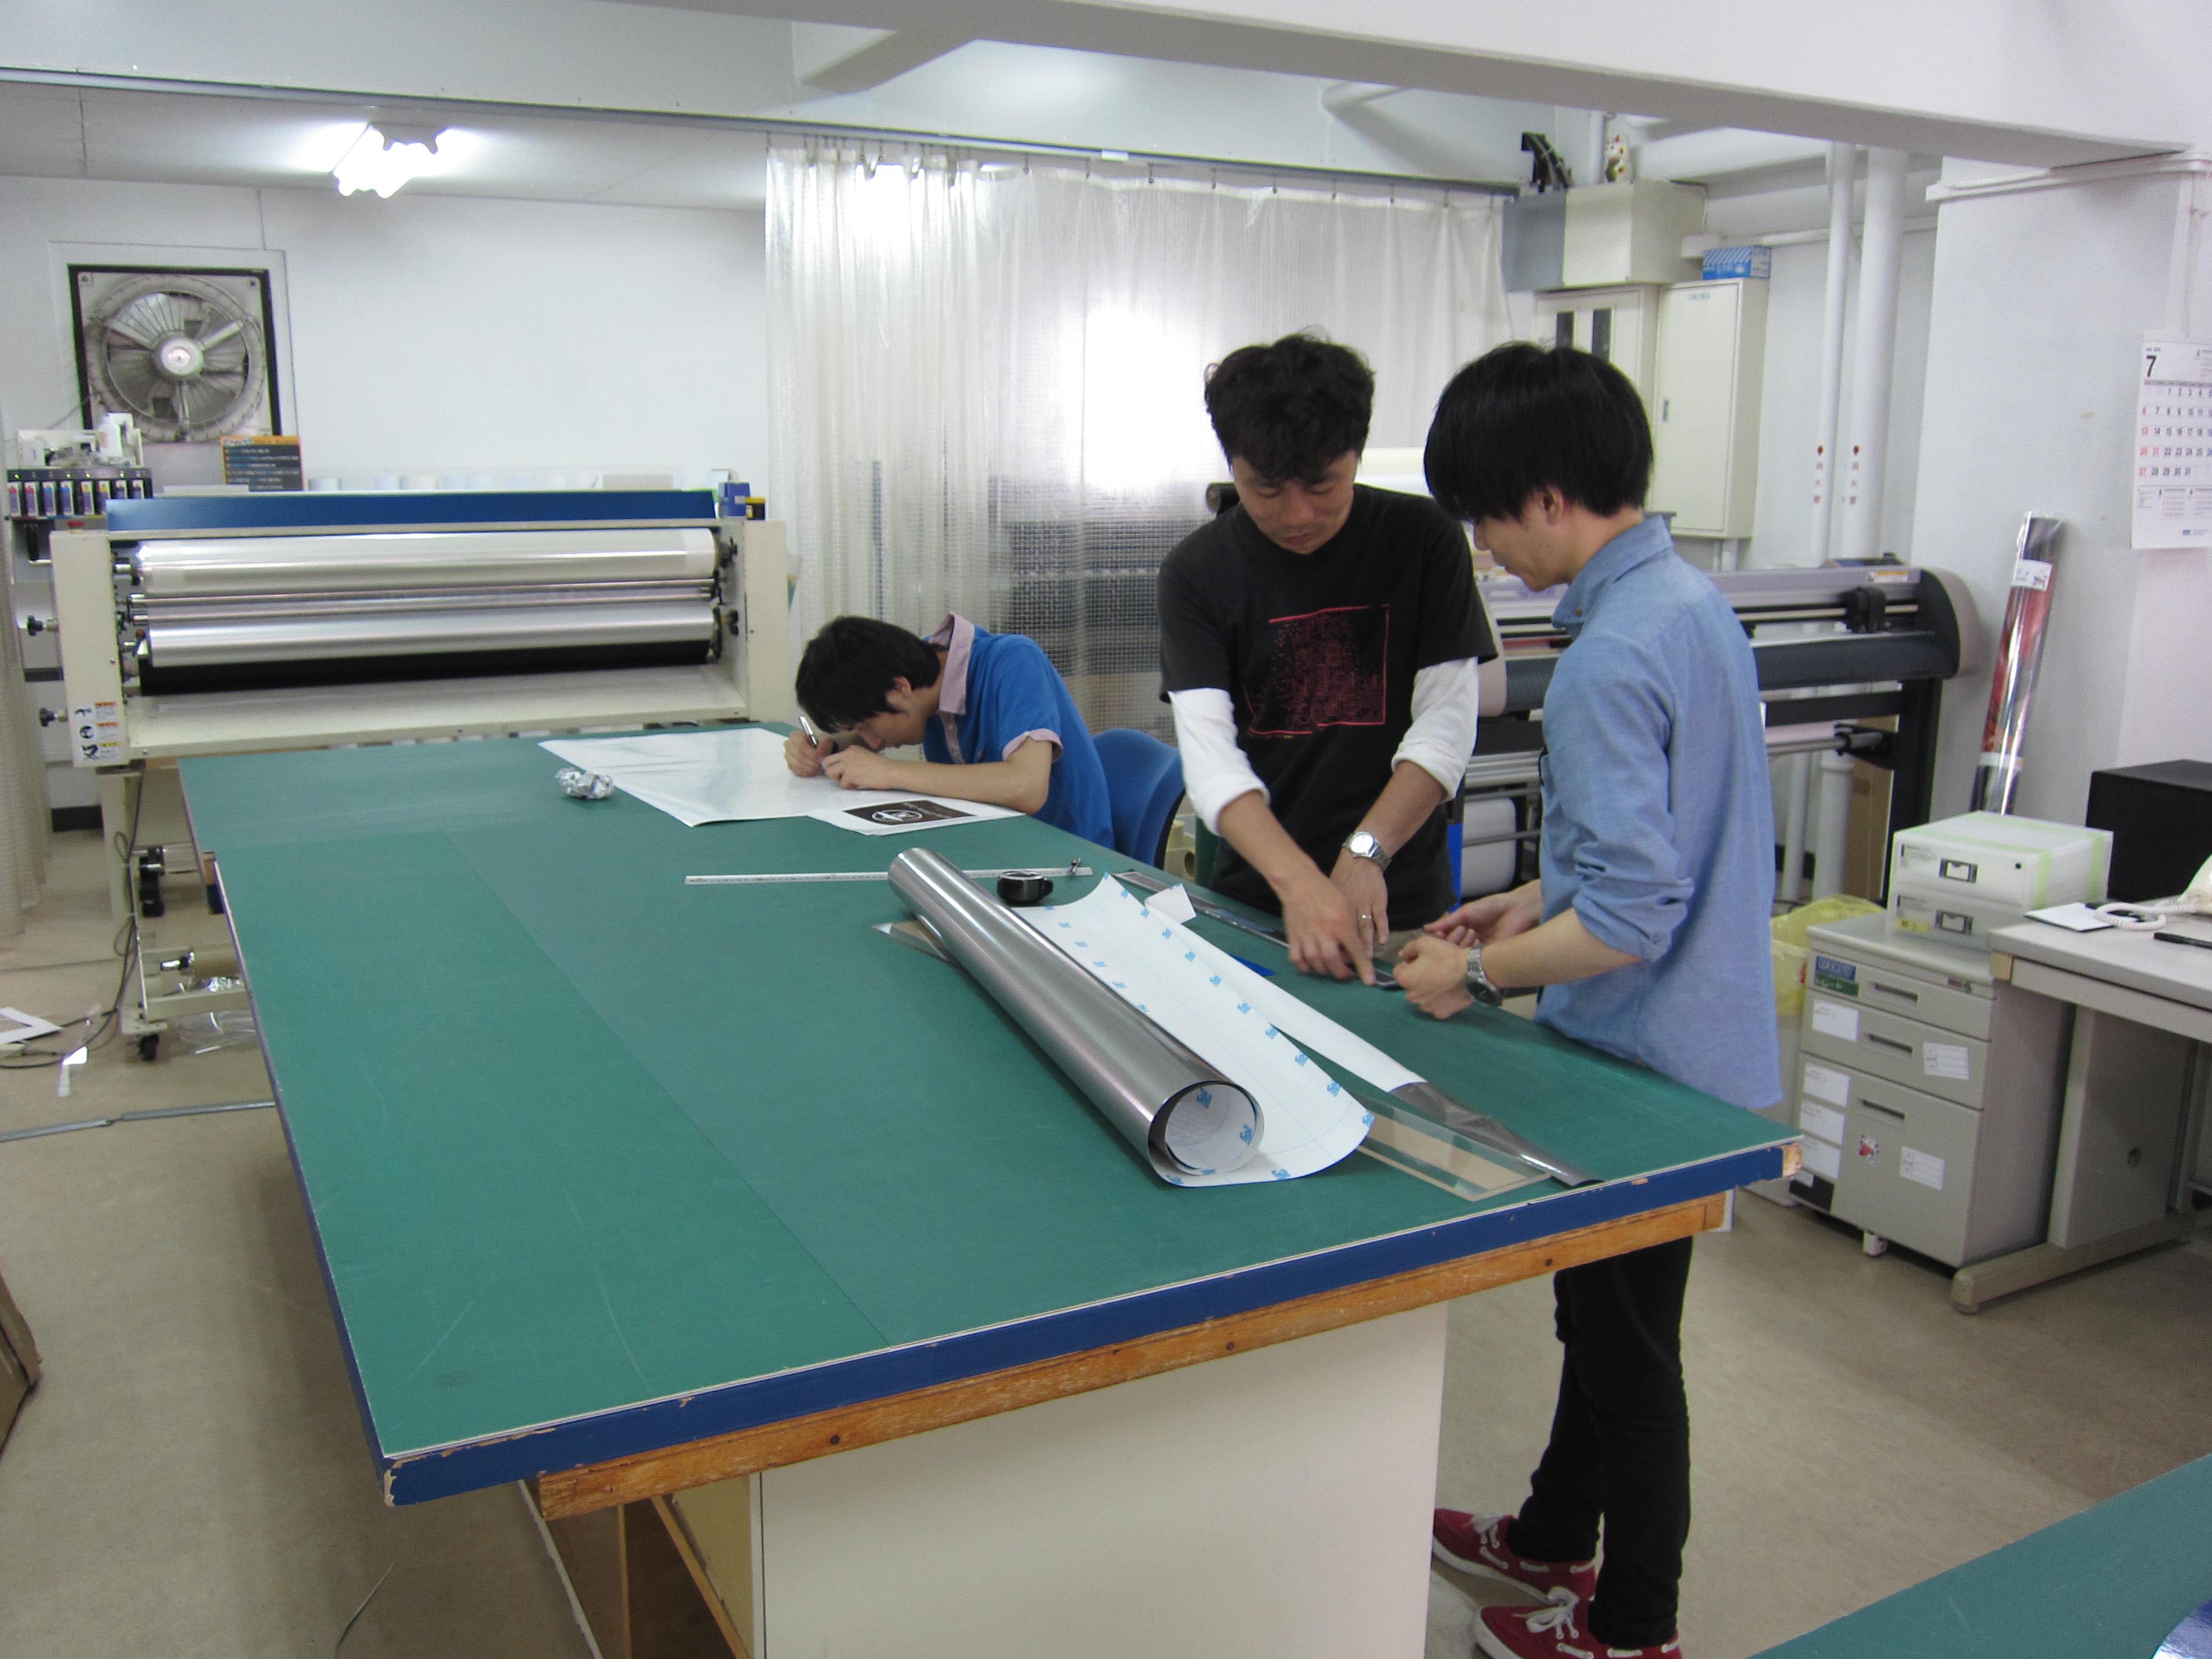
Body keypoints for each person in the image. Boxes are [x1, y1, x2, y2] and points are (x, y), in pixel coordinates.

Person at [1395, 343, 1780, 1659]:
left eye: (1489, 519)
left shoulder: (1612, 655)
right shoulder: (1688, 604)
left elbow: (1628, 918)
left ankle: (1633, 1628)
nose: (1489, 550)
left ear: (1549, 497)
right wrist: (1530, 897)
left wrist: (1475, 972)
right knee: (1601, 1317)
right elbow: (1655, 849)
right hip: (1691, 1041)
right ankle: (1553, 1532)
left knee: (1627, 1357)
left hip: (1644, 1062)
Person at [1156, 332, 1496, 984]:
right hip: (1258, 903)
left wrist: (1366, 852)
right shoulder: (1196, 573)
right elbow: (1212, 763)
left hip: (1397, 904)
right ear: (1232, 464)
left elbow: (1446, 727)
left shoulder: (1423, 540)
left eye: (1323, 485)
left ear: (1357, 453)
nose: (1298, 515)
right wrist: (1300, 883)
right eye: (1266, 490)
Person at [784, 613, 1114, 848]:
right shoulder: (925, 674)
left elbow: (1026, 787)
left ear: (900, 688)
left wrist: (890, 771)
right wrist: (827, 747)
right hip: (993, 846)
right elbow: (869, 732)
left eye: (867, 726)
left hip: (1068, 857)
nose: (870, 741)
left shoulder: (1013, 661)